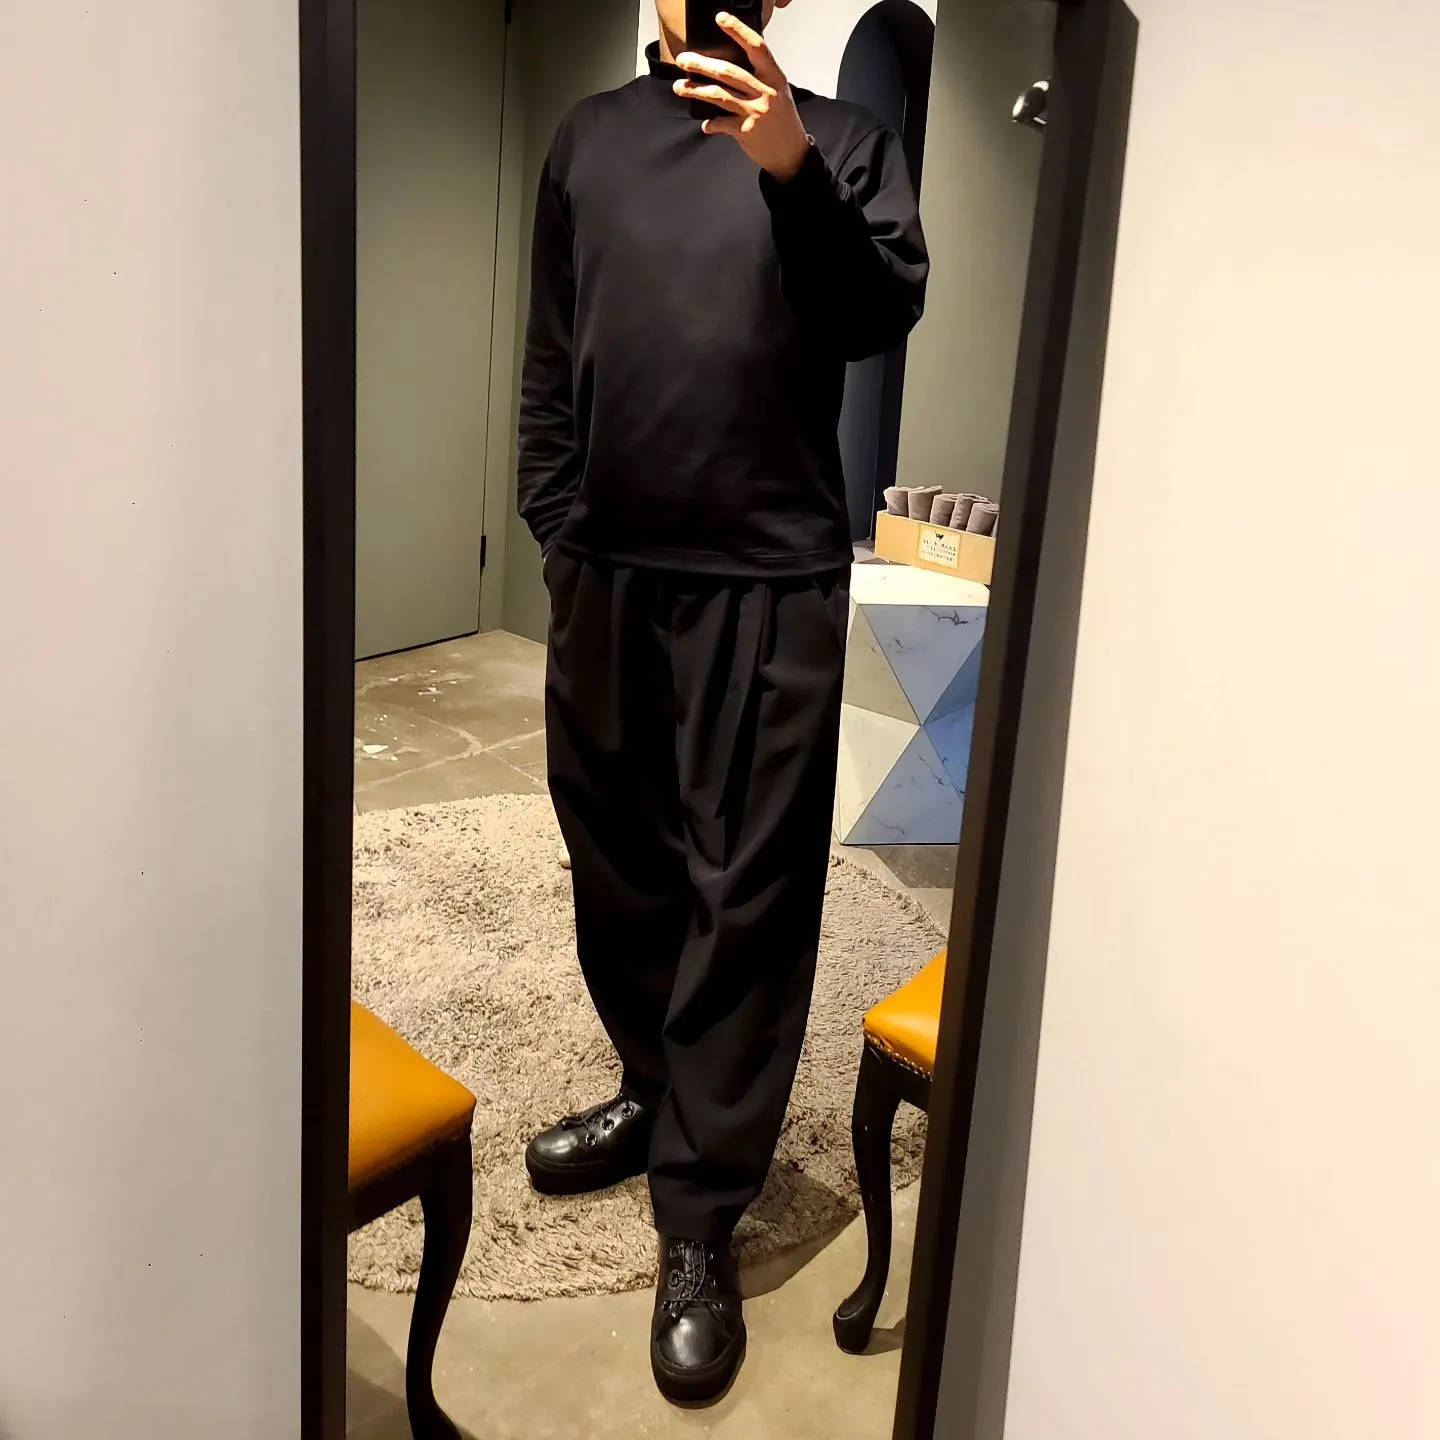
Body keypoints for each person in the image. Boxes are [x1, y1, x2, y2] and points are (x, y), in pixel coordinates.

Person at [516, 1, 928, 1405]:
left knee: (744, 892)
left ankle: (699, 1213)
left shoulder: (846, 142)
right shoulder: (588, 140)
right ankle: (654, 1087)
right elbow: (550, 358)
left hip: (770, 581)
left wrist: (793, 170)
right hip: (609, 577)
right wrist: (559, 530)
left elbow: (877, 315)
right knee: (617, 860)